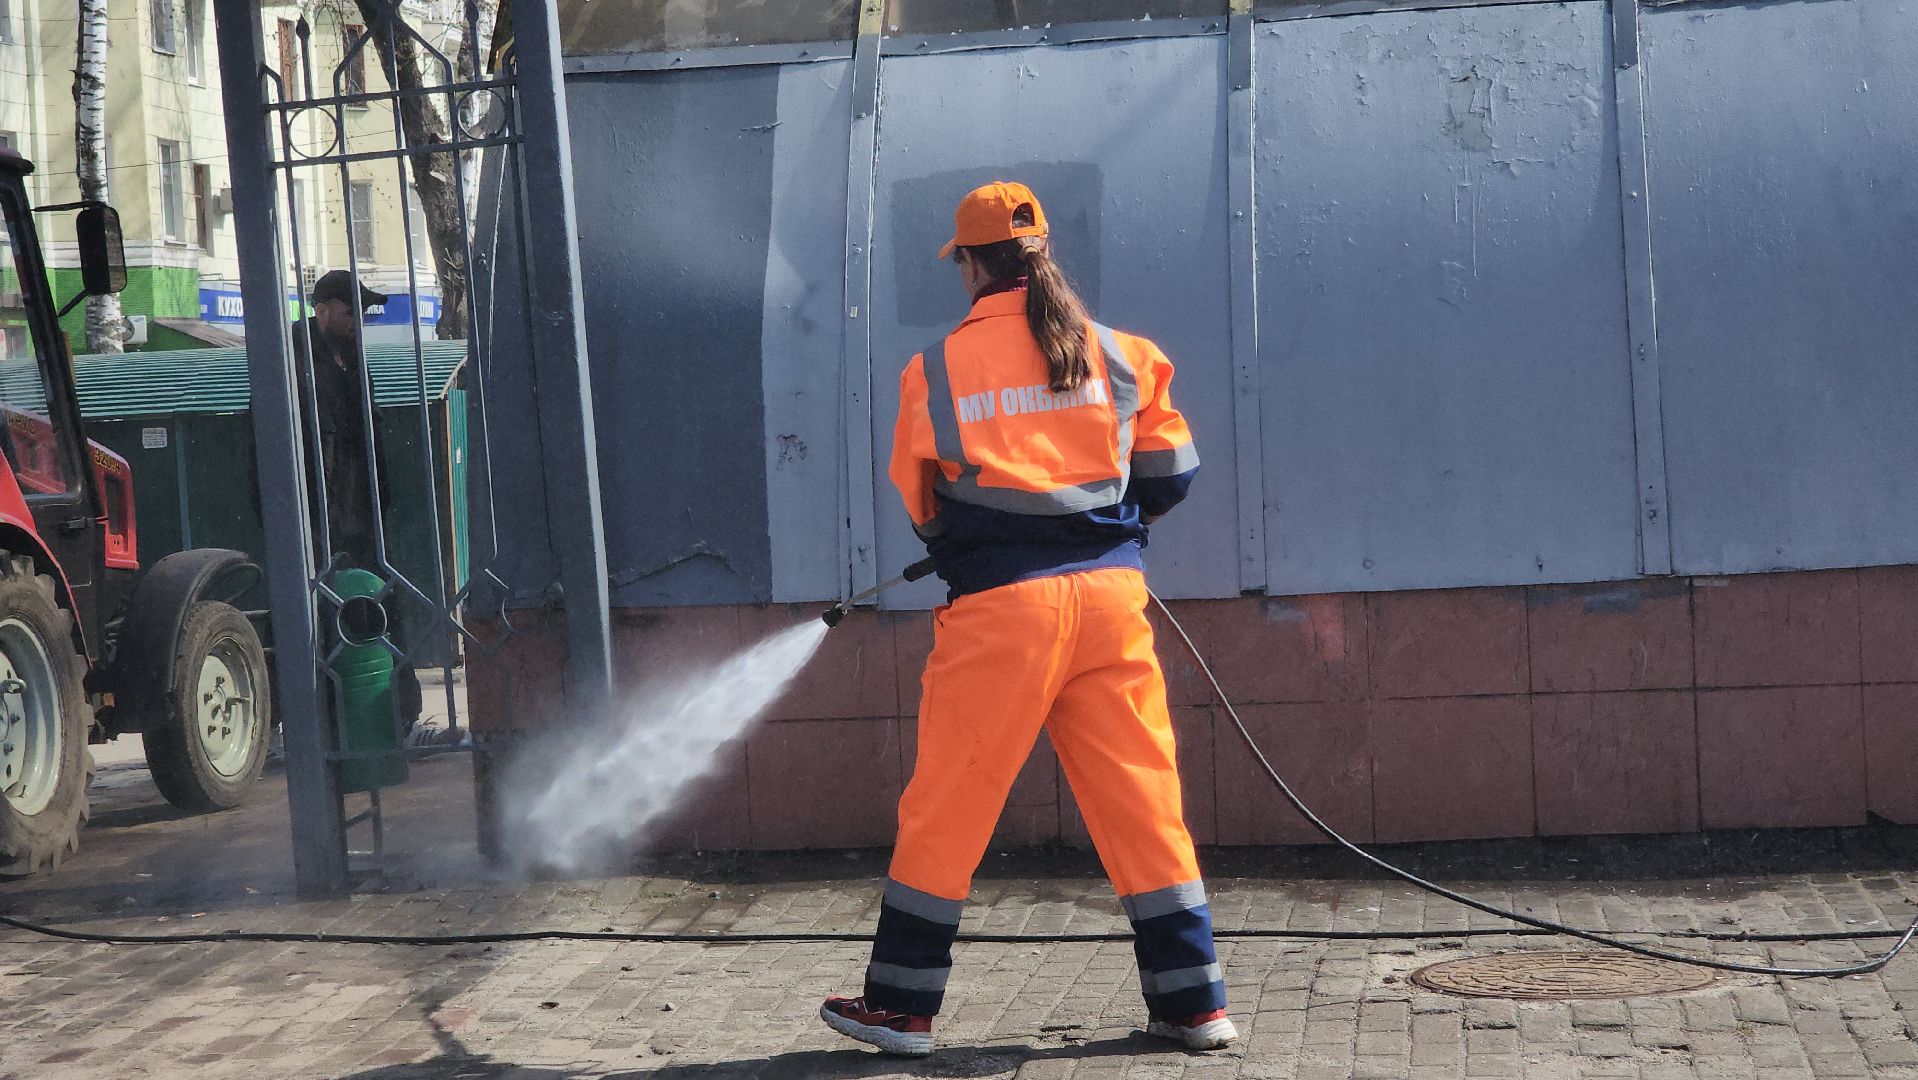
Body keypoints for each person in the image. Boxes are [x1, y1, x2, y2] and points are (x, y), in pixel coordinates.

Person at [821, 183, 1231, 1057]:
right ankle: (1195, 1005)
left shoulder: (934, 369)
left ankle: (900, 1009)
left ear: (970, 266)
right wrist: (1102, 532)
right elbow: (1172, 470)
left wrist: (985, 547)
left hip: (1003, 614)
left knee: (950, 803)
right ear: (1039, 256)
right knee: (1142, 799)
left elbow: (920, 501)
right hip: (1113, 601)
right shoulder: (1123, 354)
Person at [293, 269, 422, 732]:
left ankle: (399, 718)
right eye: (351, 312)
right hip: (317, 520)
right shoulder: (295, 362)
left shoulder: (354, 362)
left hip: (361, 516)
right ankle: (324, 727)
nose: (358, 322)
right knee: (323, 621)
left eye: (362, 314)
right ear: (322, 310)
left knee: (382, 607)